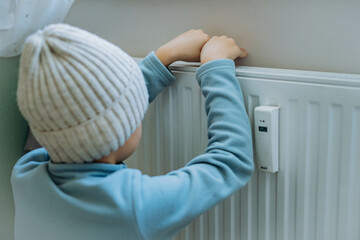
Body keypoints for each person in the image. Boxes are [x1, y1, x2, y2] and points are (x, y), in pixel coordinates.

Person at [11, 24, 254, 240]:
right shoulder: (136, 205)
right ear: (120, 129)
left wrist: (165, 56)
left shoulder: (25, 173)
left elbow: (76, 122)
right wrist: (215, 68)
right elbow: (230, 161)